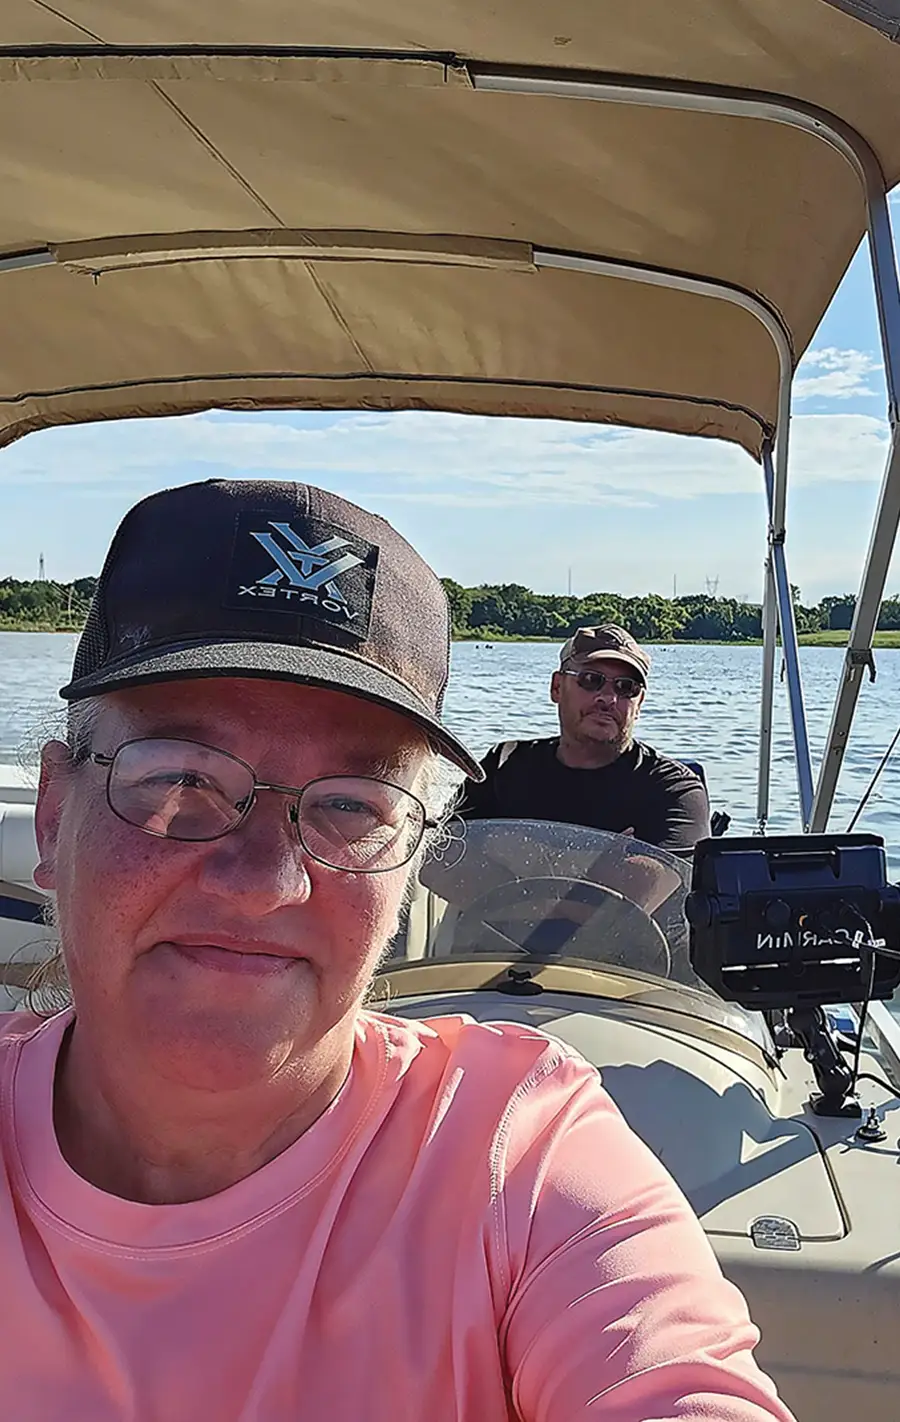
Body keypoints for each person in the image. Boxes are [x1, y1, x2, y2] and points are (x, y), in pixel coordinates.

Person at [0, 477, 794, 1421]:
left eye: (350, 806)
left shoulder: (522, 1155)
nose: (264, 881)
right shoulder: (514, 768)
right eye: (179, 779)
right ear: (54, 815)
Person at [460, 624, 711, 852]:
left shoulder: (673, 790)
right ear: (557, 687)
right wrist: (602, 864)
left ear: (640, 703)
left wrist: (513, 854)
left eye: (626, 688)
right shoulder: (502, 766)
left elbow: (658, 887)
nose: (608, 699)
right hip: (500, 905)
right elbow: (441, 860)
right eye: (591, 680)